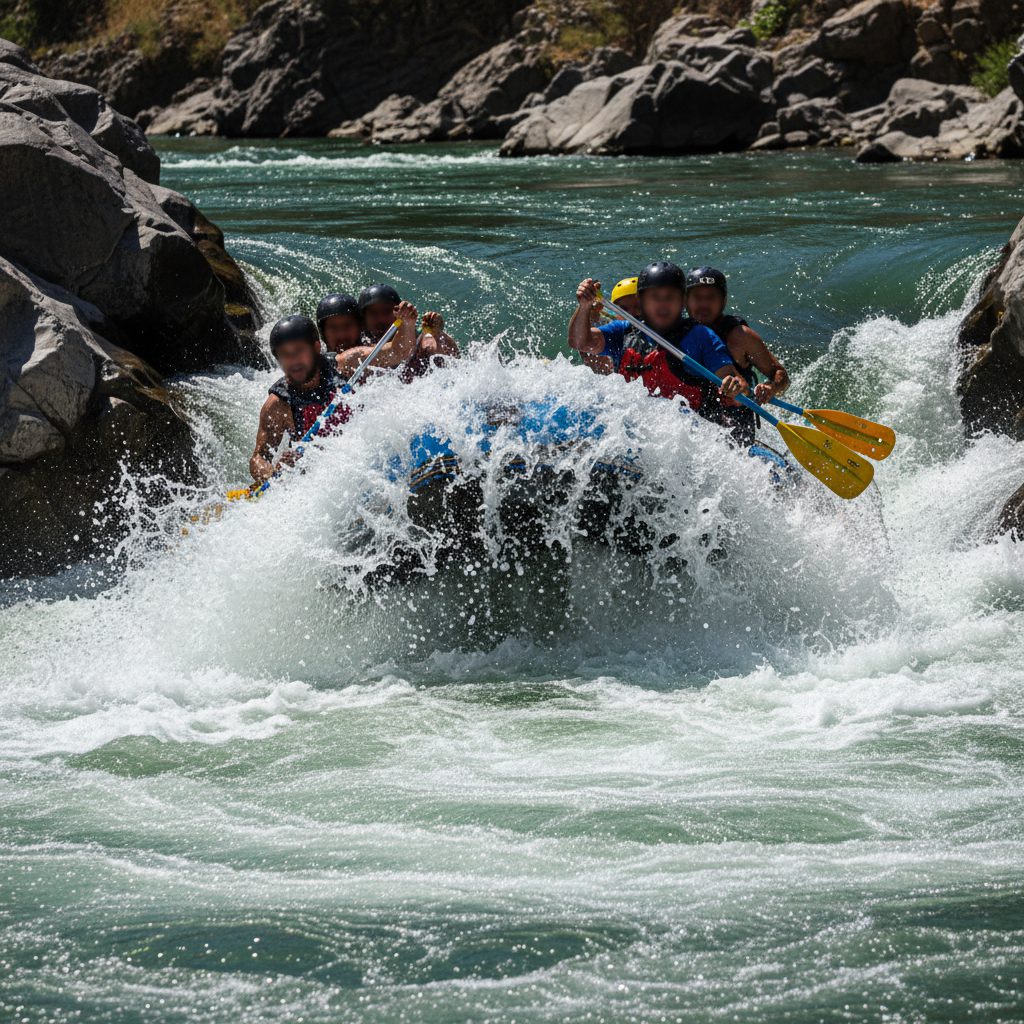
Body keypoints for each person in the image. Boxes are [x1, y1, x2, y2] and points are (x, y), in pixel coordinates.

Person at [249, 307, 418, 483]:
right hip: (321, 478)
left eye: (299, 351)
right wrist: (272, 475)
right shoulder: (278, 404)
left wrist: (407, 323)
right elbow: (258, 458)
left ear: (316, 347)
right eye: (285, 355)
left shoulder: (348, 364)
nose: (293, 361)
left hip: (366, 457)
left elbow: (399, 352)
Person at [569, 261, 747, 427]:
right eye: (655, 297)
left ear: (683, 300)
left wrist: (735, 387)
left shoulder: (700, 336)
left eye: (670, 297)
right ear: (641, 300)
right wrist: (584, 307)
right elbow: (579, 342)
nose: (663, 305)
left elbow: (735, 382)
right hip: (630, 427)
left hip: (686, 432)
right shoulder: (622, 331)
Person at [684, 266, 790, 446]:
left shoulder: (740, 336)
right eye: (697, 297)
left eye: (711, 297)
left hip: (735, 426)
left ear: (723, 301)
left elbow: (780, 374)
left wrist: (771, 387)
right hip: (690, 420)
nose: (703, 304)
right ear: (686, 301)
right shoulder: (677, 332)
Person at [358, 283, 459, 379]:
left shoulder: (417, 337)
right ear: (363, 319)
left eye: (387, 311)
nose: (381, 319)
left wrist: (437, 334)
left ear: (399, 314)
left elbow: (454, 358)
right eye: (373, 313)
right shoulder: (357, 341)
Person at [582, 276, 638, 376]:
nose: (631, 313)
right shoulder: (614, 328)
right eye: (625, 309)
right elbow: (582, 341)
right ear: (616, 311)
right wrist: (587, 307)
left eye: (638, 307)